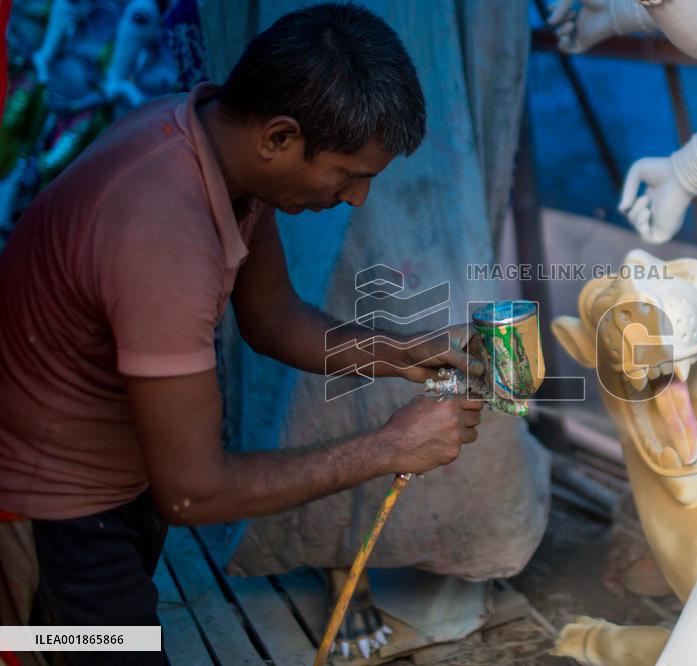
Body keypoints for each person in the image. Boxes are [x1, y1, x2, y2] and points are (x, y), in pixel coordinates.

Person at [0, 4, 485, 664]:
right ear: (280, 138)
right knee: (62, 642)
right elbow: (194, 492)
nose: (357, 198)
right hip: (58, 513)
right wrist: (390, 447)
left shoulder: (210, 143)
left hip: (116, 484)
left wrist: (397, 353)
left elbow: (273, 317)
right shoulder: (161, 232)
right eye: (350, 173)